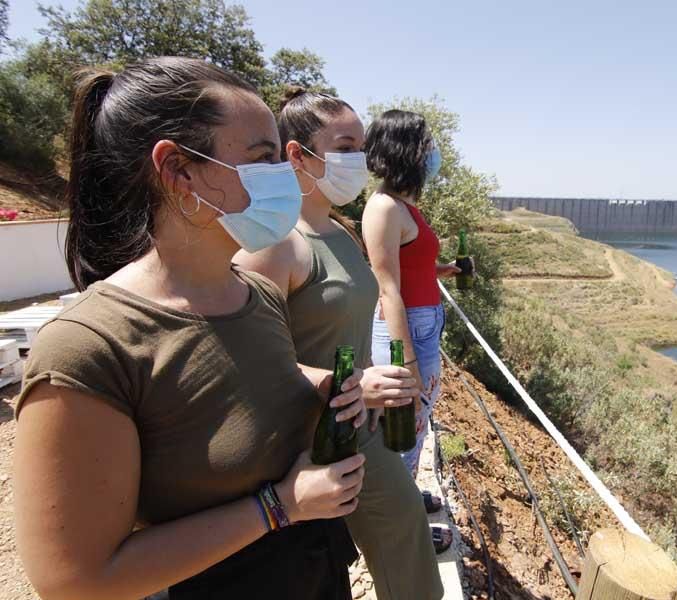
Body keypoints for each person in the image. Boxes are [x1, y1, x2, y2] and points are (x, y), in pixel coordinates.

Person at [13, 58, 367, 600]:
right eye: (262, 159)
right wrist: (281, 507)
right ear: (179, 171)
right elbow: (75, 581)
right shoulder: (89, 347)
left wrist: (323, 385)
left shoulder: (259, 295)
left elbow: (241, 376)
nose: (283, 178)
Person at [233, 87, 446, 599]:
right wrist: (349, 384)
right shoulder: (276, 246)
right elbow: (242, 360)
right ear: (297, 155)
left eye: (361, 147)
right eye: (346, 146)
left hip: (358, 422)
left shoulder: (341, 229)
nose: (361, 160)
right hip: (312, 434)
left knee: (404, 536)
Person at [362, 110, 460, 481]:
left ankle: (409, 499)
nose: (433, 152)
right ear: (408, 150)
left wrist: (437, 272)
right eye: (427, 144)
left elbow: (405, 267)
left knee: (418, 417)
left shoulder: (404, 208)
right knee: (407, 421)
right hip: (406, 330)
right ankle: (400, 518)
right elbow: (386, 286)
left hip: (423, 320)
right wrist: (407, 364)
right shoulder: (385, 207)